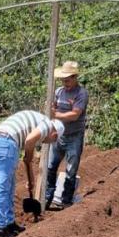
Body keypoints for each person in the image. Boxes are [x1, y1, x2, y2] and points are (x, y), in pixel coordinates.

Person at [0, 110, 64, 237]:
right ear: (55, 134)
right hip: (5, 141)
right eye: (52, 141)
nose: (47, 142)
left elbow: (28, 154)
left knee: (10, 186)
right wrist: (29, 156)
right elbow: (29, 141)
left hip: (2, 140)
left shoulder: (40, 122)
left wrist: (31, 176)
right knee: (3, 188)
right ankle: (1, 229)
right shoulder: (47, 125)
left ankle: (9, 224)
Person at [45, 61, 89, 210]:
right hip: (58, 135)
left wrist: (56, 114)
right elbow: (51, 109)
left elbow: (75, 115)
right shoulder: (58, 92)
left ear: (75, 77)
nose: (65, 83)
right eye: (63, 80)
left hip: (74, 136)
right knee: (51, 166)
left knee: (71, 170)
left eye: (68, 80)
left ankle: (66, 200)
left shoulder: (81, 93)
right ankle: (47, 198)